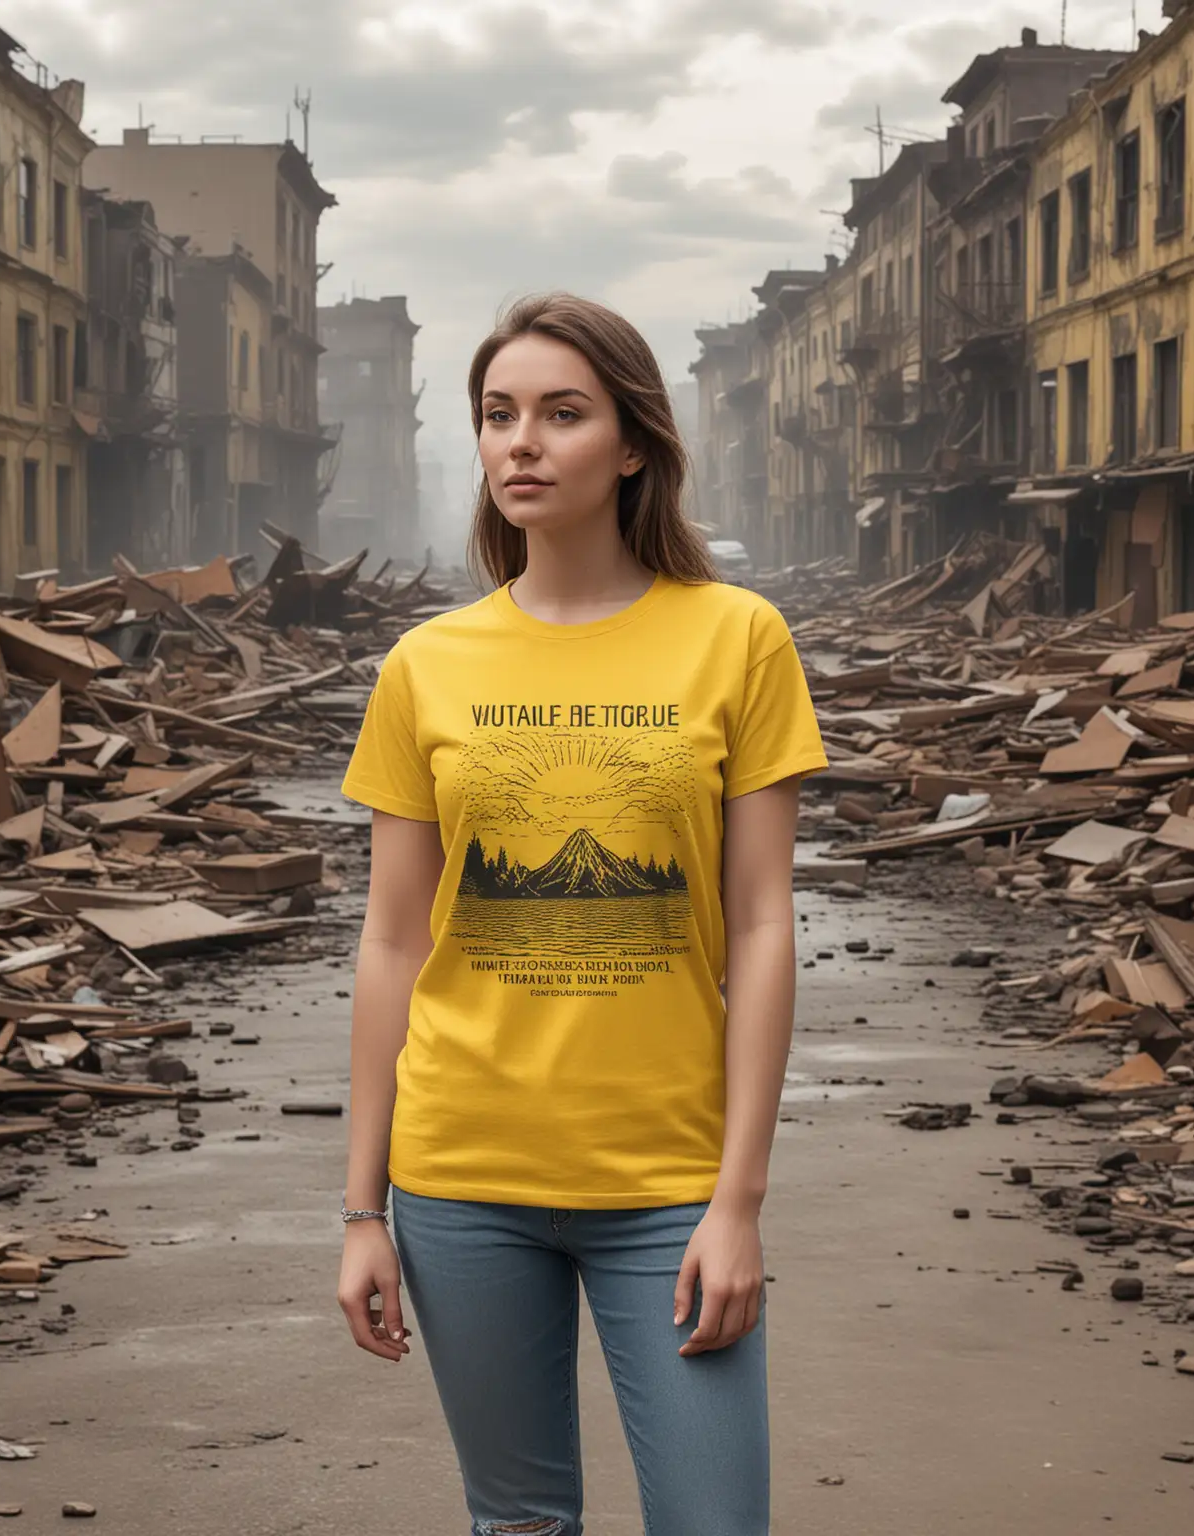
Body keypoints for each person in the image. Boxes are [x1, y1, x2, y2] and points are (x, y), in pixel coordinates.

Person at [336, 292, 828, 1536]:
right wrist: (360, 1210)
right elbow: (395, 942)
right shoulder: (427, 664)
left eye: (563, 413)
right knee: (520, 1525)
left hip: (669, 1177)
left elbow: (764, 925)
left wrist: (739, 1202)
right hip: (459, 1179)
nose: (522, 443)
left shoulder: (738, 639)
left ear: (633, 443)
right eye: (499, 415)